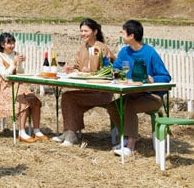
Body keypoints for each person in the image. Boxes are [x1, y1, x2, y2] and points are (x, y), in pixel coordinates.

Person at [106, 19, 171, 158]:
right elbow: (116, 69)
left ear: (131, 36)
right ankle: (125, 137)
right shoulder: (124, 52)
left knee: (129, 106)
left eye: (123, 33)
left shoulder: (150, 53)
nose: (121, 36)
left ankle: (131, 146)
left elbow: (166, 76)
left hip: (151, 97)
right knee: (112, 107)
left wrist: (153, 79)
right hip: (132, 94)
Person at [52, 18, 117, 147]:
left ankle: (71, 134)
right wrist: (72, 70)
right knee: (69, 96)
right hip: (86, 90)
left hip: (101, 92)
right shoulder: (82, 48)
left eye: (86, 31)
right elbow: (77, 67)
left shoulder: (101, 48)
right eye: (81, 31)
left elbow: (109, 69)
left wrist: (91, 72)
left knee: (68, 97)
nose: (83, 34)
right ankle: (70, 132)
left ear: (95, 32)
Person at [0, 32, 47, 143]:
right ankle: (21, 132)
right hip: (4, 87)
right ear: (2, 45)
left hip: (16, 85)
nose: (11, 46)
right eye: (9, 43)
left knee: (34, 100)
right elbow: (5, 76)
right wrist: (14, 63)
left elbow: (20, 73)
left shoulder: (15, 54)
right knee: (23, 101)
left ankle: (36, 130)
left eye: (13, 43)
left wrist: (19, 63)